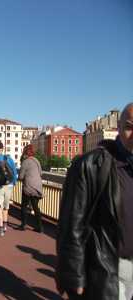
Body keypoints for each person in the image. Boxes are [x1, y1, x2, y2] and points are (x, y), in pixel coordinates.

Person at [56, 103, 133, 300]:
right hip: (109, 266)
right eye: (129, 127)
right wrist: (73, 274)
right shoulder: (91, 165)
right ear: (118, 127)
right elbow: (72, 223)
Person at [18, 144, 43, 233]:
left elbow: (20, 176)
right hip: (38, 186)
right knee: (36, 207)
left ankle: (23, 225)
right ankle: (40, 227)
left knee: (24, 206)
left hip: (28, 187)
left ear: (25, 153)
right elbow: (40, 173)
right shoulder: (37, 161)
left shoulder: (25, 162)